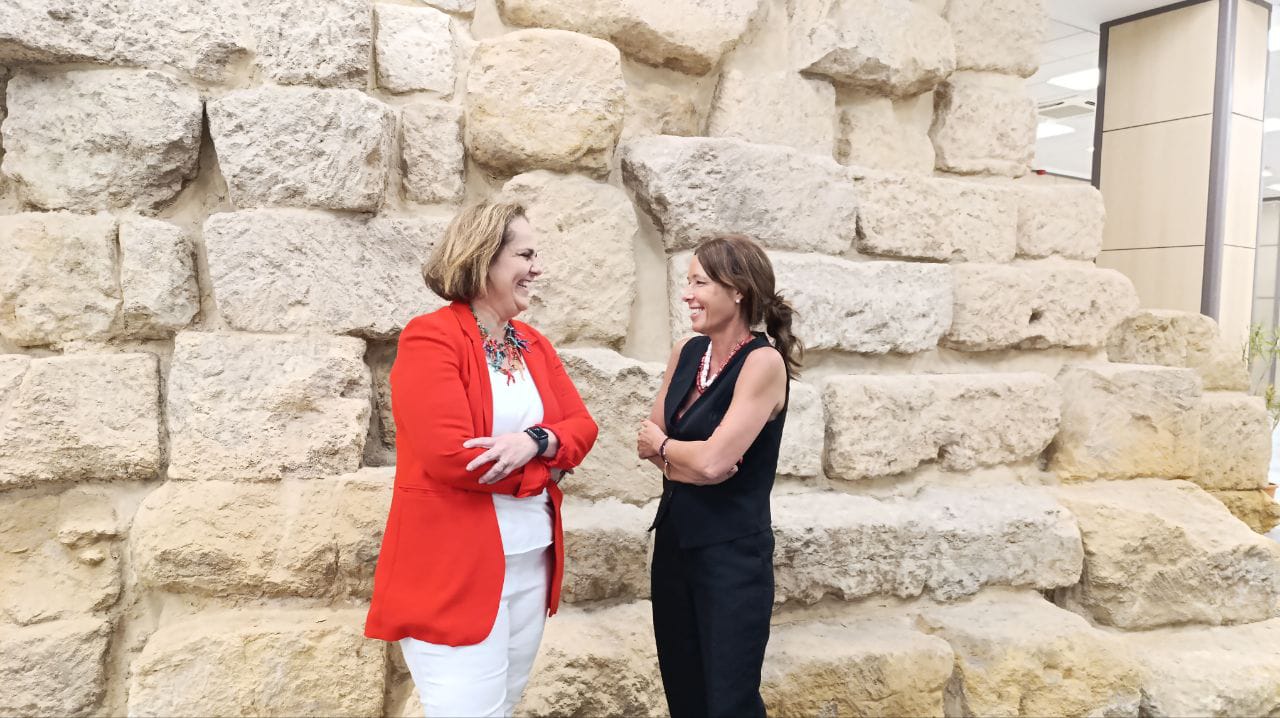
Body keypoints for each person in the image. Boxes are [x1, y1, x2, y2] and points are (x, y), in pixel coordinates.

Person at [365, 201, 599, 718]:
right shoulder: (432, 337)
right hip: (454, 569)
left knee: (504, 706)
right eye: (526, 255)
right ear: (484, 258)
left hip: (531, 557)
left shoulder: (532, 344)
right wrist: (548, 469)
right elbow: (453, 458)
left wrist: (533, 441)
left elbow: (583, 428)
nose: (537, 269)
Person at [636, 234, 802, 718]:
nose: (687, 294)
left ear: (738, 290)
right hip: (674, 545)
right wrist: (687, 459)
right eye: (688, 282)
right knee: (684, 695)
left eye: (700, 283)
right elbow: (648, 440)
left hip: (732, 556)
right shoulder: (686, 353)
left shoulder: (763, 362)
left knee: (729, 703)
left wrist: (673, 453)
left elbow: (703, 460)